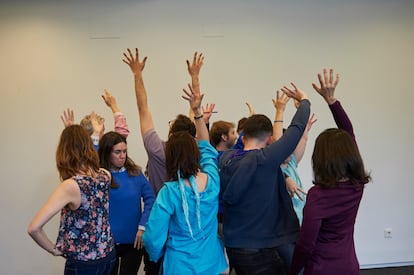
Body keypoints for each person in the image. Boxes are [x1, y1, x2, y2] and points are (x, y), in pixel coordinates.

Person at [122, 48, 203, 274]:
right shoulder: (197, 152)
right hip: (188, 227)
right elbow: (192, 116)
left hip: (160, 224)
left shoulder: (158, 149)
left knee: (155, 268)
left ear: (171, 132)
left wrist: (137, 74)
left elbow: (143, 108)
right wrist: (195, 77)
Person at [219, 82, 311, 275]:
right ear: (269, 138)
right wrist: (304, 101)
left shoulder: (226, 158)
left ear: (243, 136)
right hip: (261, 247)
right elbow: (296, 129)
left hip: (235, 246)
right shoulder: (266, 159)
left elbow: (244, 142)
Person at [143, 74, 228, 274]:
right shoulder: (213, 179)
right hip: (212, 264)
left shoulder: (169, 192)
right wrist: (198, 113)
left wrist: (157, 254)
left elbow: (153, 237)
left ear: (171, 157)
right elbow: (206, 146)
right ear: (196, 152)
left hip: (179, 265)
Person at [290, 69, 371, 275]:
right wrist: (332, 101)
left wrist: (292, 271)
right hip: (349, 267)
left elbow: (305, 245)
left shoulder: (318, 196)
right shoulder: (357, 185)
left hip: (321, 270)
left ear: (320, 159)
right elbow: (349, 134)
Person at [27, 125, 115, 275]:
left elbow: (34, 228)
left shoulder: (71, 186)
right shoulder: (105, 175)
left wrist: (53, 250)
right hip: (108, 256)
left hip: (83, 264)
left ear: (64, 151)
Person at [98, 131, 155, 275]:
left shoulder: (135, 173)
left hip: (134, 241)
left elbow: (151, 200)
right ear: (107, 153)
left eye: (124, 151)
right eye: (117, 152)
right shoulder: (99, 176)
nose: (122, 155)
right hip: (107, 241)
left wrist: (142, 227)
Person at [272, 90, 317, 225]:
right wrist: (280, 111)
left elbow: (302, 140)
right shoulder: (275, 166)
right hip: (284, 223)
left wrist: (305, 129)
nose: (289, 152)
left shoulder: (291, 162)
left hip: (300, 220)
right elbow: (277, 140)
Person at [61, 89, 130, 149]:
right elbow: (121, 135)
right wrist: (113, 105)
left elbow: (120, 136)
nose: (104, 134)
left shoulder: (103, 147)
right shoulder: (83, 154)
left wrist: (70, 132)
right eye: (102, 131)